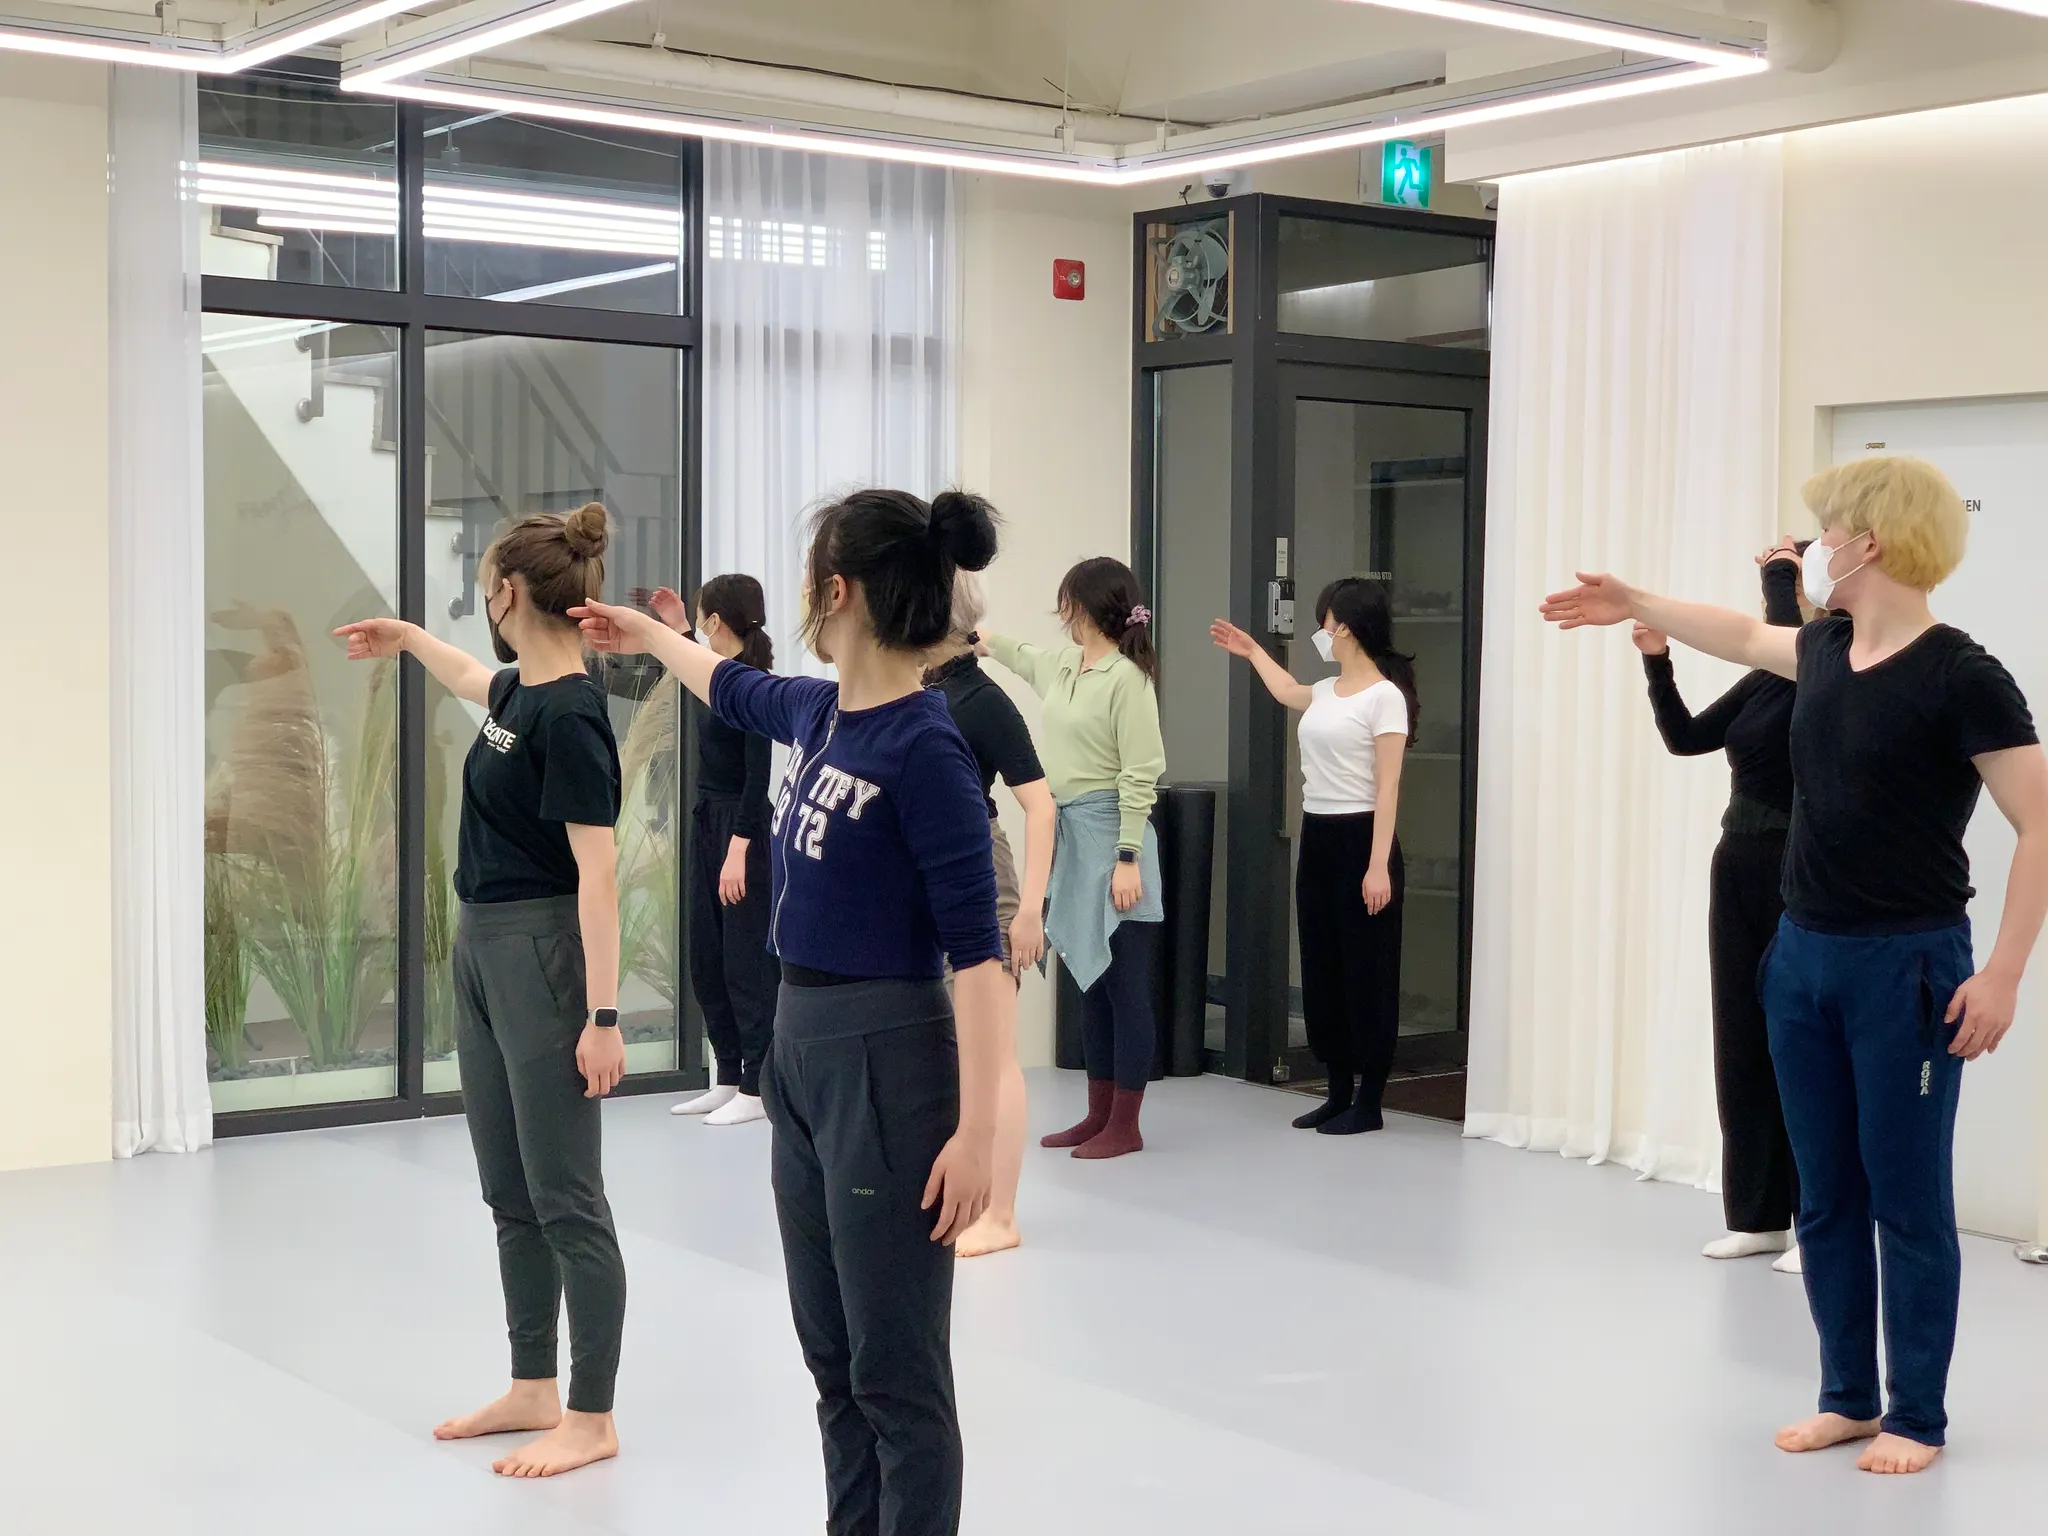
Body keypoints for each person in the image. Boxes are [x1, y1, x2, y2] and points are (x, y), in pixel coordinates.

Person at [1541, 457, 2048, 1476]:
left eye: (1828, 530)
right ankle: (1846, 1398)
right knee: (1823, 1197)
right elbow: (1738, 634)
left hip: (1905, 966)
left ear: (1870, 542)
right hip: (1802, 958)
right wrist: (1635, 601)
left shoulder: (1962, 674)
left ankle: (1915, 1415)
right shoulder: (1820, 649)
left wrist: (2000, 974)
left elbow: (2038, 824)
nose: (1816, 546)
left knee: (1905, 1201)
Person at [574, 488, 1011, 1536]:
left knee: (894, 1370)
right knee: (833, 1362)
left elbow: (979, 956)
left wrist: (977, 1133)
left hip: (886, 1057)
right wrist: (649, 635)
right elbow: (731, 686)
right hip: (802, 1049)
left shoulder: (926, 746)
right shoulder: (820, 714)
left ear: (837, 591)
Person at [336, 502, 629, 1479]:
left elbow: (598, 874)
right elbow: (472, 677)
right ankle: (532, 1384)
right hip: (483, 947)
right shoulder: (519, 694)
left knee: (566, 1199)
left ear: (506, 592)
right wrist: (410, 638)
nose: (480, 602)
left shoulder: (573, 712)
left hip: (541, 954)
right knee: (510, 1191)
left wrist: (603, 1016)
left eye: (482, 586)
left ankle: (591, 1415)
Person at [1634, 550, 1807, 1272]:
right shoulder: (1763, 680)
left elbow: (1789, 633)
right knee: (1740, 1037)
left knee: (1801, 1042)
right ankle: (1758, 1216)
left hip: (1798, 872)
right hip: (1736, 862)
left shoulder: (1826, 670)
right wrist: (1658, 661)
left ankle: (1818, 1222)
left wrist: (1782, 572)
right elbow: (1686, 739)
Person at [1211, 577, 1416, 1135]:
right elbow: (1286, 691)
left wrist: (1378, 865)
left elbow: (1388, 788)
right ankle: (1337, 1090)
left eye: (1325, 620)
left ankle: (1369, 1101)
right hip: (1319, 835)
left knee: (1367, 970)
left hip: (1363, 839)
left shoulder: (1385, 698)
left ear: (1346, 626)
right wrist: (1252, 650)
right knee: (1323, 967)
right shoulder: (1325, 691)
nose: (1320, 630)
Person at [984, 557, 1165, 1161]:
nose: (1062, 611)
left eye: (1068, 600)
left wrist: (1128, 856)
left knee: (1126, 986)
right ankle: (1097, 1114)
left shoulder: (1127, 679)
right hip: (1073, 843)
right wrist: (977, 639)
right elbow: (1022, 655)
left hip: (1115, 840)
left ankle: (1126, 1124)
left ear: (1087, 606)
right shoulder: (1066, 665)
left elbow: (1141, 772)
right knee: (1090, 984)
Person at [923, 569, 1055, 1256]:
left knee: (994, 1053)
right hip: (935, 873)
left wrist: (1030, 911)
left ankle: (1000, 1216)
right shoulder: (924, 690)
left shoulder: (982, 700)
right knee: (952, 1052)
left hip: (985, 875)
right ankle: (966, 1201)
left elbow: (1041, 805)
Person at [652, 576, 781, 1128]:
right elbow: (694, 675)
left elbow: (758, 777)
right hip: (708, 822)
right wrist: (680, 630)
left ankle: (758, 1085)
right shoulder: (717, 675)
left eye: (702, 614)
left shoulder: (753, 684)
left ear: (718, 619)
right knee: (706, 960)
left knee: (746, 963)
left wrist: (738, 850)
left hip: (742, 830)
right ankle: (727, 1076)